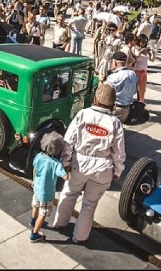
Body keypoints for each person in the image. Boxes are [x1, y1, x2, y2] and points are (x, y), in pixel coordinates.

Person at [52, 83, 125, 244]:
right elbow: (119, 153)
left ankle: (59, 223)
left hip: (79, 162)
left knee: (69, 193)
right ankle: (80, 237)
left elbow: (68, 141)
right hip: (103, 168)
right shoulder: (115, 123)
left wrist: (66, 162)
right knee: (89, 205)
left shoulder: (83, 114)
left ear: (95, 98)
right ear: (112, 103)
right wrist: (118, 171)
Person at [29, 132, 70, 242]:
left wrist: (34, 181)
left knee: (35, 206)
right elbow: (65, 177)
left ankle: (32, 221)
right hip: (46, 193)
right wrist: (67, 171)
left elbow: (35, 169)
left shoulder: (38, 156)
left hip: (36, 187)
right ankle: (34, 234)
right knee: (43, 214)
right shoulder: (56, 164)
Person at [105, 51, 139, 123]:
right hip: (126, 109)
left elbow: (105, 93)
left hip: (114, 108)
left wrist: (101, 80)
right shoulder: (133, 74)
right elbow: (135, 90)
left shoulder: (113, 77)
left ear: (115, 62)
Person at [131, 34, 154, 103]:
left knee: (142, 89)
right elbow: (136, 56)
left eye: (145, 42)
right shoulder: (135, 48)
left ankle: (140, 102)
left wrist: (153, 53)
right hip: (136, 70)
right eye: (142, 41)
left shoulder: (146, 50)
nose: (143, 43)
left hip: (143, 71)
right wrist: (142, 51)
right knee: (132, 88)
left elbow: (152, 59)